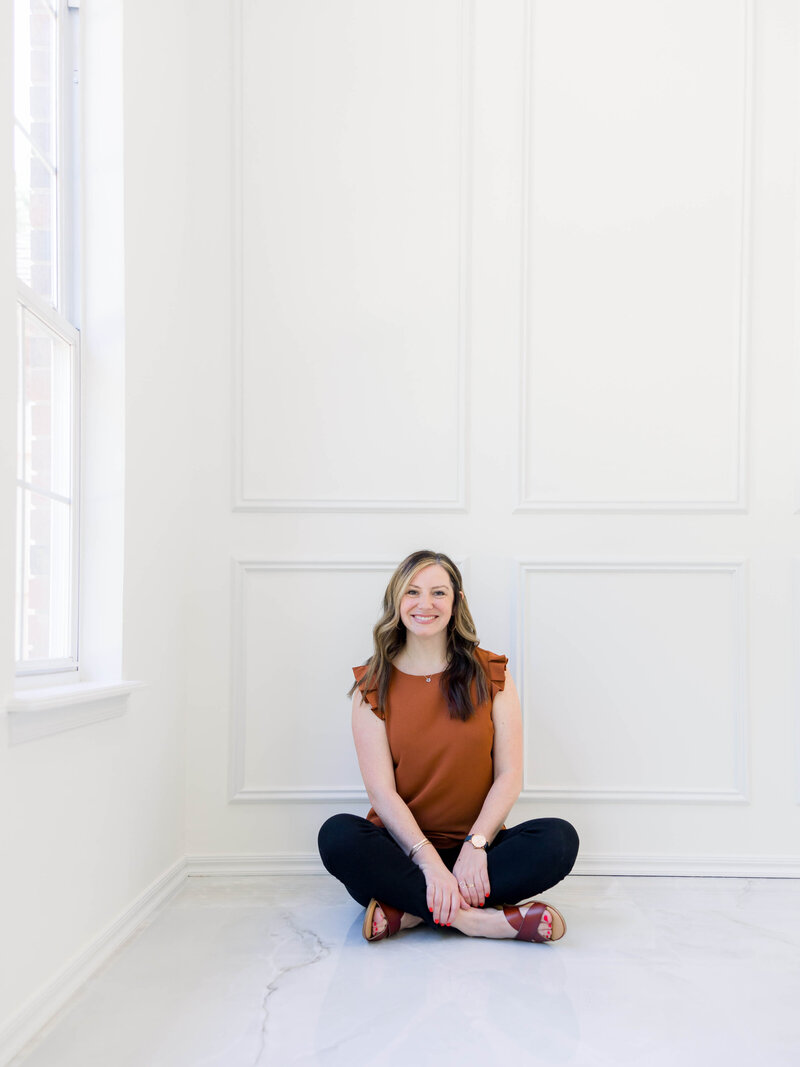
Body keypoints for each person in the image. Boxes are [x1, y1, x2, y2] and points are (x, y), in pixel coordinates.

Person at [318, 549, 579, 943]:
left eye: (438, 592)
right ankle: (476, 921)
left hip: (477, 852)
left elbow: (510, 775)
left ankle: (409, 912)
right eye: (413, 592)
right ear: (397, 601)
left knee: (559, 839)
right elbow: (381, 792)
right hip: (401, 852)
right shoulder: (372, 684)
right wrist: (427, 863)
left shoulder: (492, 674)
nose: (425, 604)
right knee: (337, 836)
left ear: (456, 600)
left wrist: (476, 846)